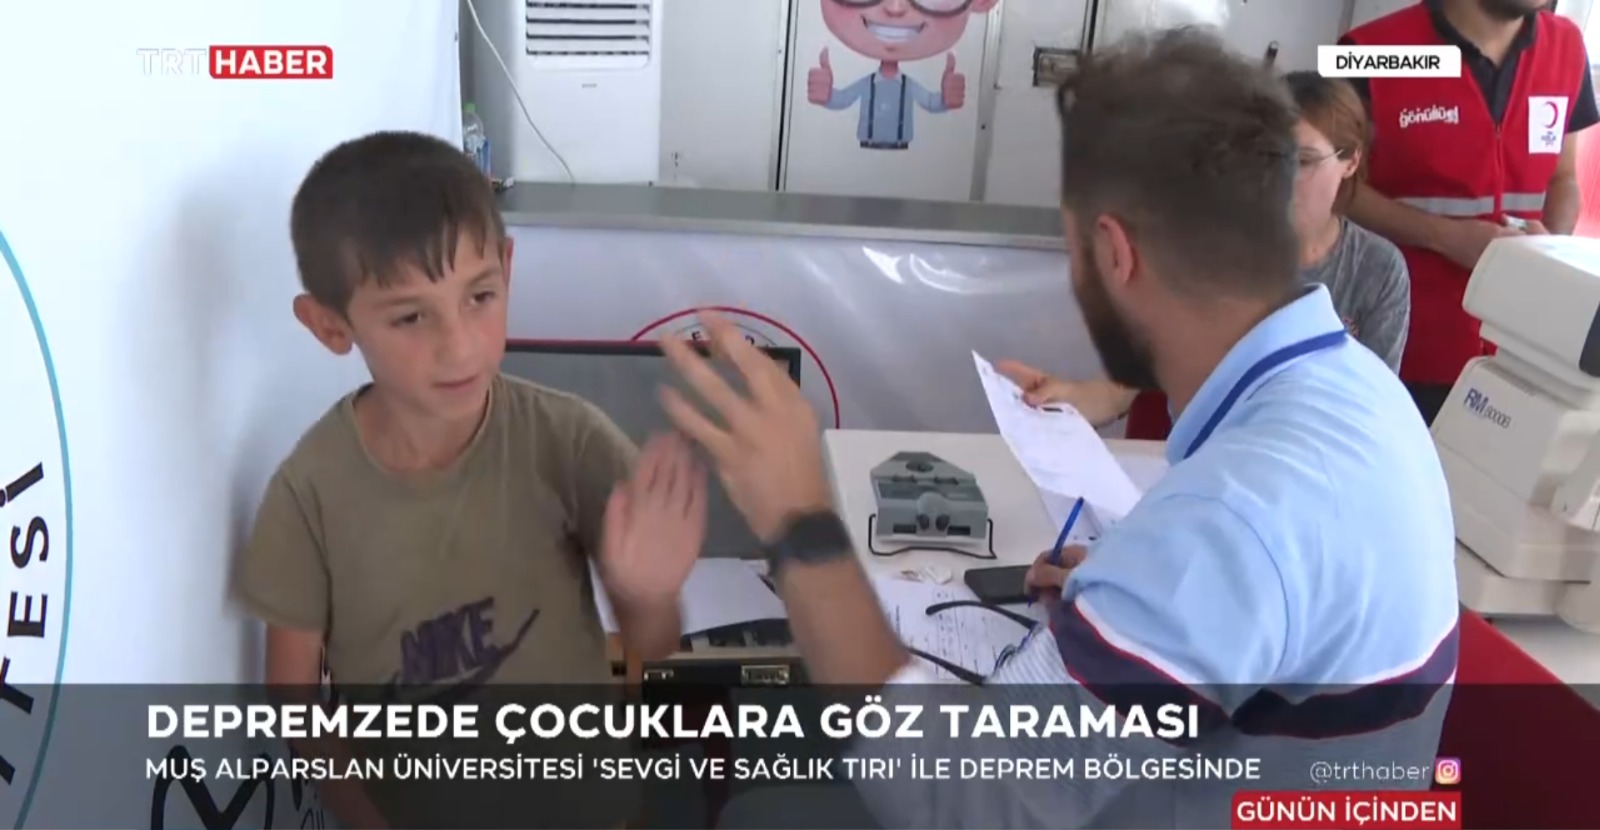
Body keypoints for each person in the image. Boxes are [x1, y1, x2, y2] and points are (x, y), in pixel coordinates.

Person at [660, 28, 1459, 828]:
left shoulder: (1225, 522)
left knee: (760, 807)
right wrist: (1125, 594)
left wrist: (801, 523)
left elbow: (952, 805)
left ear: (1114, 253)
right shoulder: (1363, 394)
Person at [234, 131, 707, 829]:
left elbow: (655, 640)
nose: (458, 346)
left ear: (507, 270)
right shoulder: (308, 494)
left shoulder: (569, 440)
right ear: (330, 326)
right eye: (410, 316)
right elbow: (293, 699)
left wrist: (650, 594)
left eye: (479, 296)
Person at [997, 71, 1412, 437]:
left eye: (1304, 161)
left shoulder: (1377, 270)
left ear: (1350, 160)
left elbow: (1368, 411)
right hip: (1205, 461)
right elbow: (1136, 376)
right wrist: (1070, 400)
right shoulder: (1217, 247)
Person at [1342, 0, 1596, 423]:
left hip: (1518, 352)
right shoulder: (1369, 49)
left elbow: (1564, 178)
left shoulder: (1567, 46)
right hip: (1397, 343)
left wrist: (1550, 248)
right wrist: (1444, 236)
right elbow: (1335, 187)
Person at [806, 0, 998, 150]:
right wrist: (826, 95)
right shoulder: (869, 84)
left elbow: (929, 102)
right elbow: (844, 99)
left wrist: (946, 100)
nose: (895, 8)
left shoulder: (907, 86)